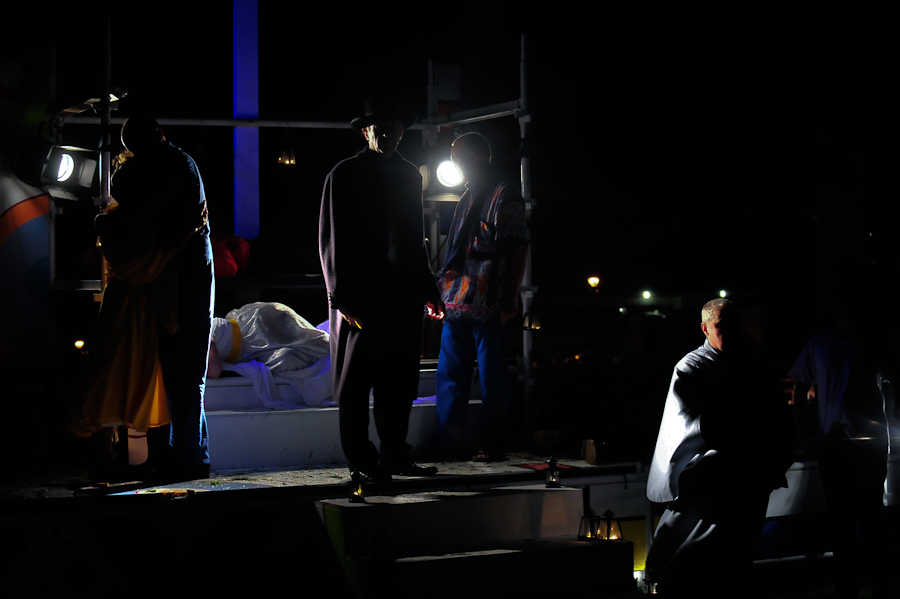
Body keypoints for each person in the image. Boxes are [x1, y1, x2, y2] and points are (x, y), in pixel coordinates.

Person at [70, 114, 213, 481]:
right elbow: (153, 230)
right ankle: (184, 456)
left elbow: (143, 221)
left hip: (163, 289)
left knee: (171, 373)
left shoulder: (151, 180)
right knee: (177, 373)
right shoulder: (173, 170)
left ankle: (178, 456)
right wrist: (186, 232)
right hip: (165, 288)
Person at [319, 97, 444, 483]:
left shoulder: (409, 174)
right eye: (381, 127)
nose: (389, 133)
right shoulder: (345, 174)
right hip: (362, 296)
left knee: (398, 380)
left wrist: (427, 288)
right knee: (355, 384)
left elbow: (415, 238)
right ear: (366, 131)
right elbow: (332, 238)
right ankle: (361, 460)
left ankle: (394, 455)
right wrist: (342, 297)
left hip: (401, 295)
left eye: (395, 126)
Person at [645, 299, 793, 598]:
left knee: (740, 549)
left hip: (753, 472)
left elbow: (775, 412)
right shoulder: (691, 367)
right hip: (711, 476)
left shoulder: (753, 363)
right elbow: (687, 422)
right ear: (705, 328)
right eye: (722, 326)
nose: (732, 332)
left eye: (735, 326)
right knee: (692, 545)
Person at [788, 292, 892, 598]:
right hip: (847, 445)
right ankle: (866, 584)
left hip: (856, 445)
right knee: (854, 518)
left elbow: (800, 386)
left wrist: (804, 435)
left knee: (858, 519)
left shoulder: (859, 341)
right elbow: (800, 387)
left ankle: (862, 584)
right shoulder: (825, 342)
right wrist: (803, 435)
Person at [433, 132, 528, 462]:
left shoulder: (504, 194)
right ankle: (448, 443)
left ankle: (492, 445)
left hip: (490, 304)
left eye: (456, 158)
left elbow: (518, 248)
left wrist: (510, 300)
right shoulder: (467, 196)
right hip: (456, 303)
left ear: (472, 158)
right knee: (449, 377)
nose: (454, 164)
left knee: (492, 379)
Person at [207, 302, 333, 408]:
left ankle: (338, 347)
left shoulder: (201, 332)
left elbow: (214, 370)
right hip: (251, 345)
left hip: (256, 330)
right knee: (291, 357)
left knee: (313, 344)